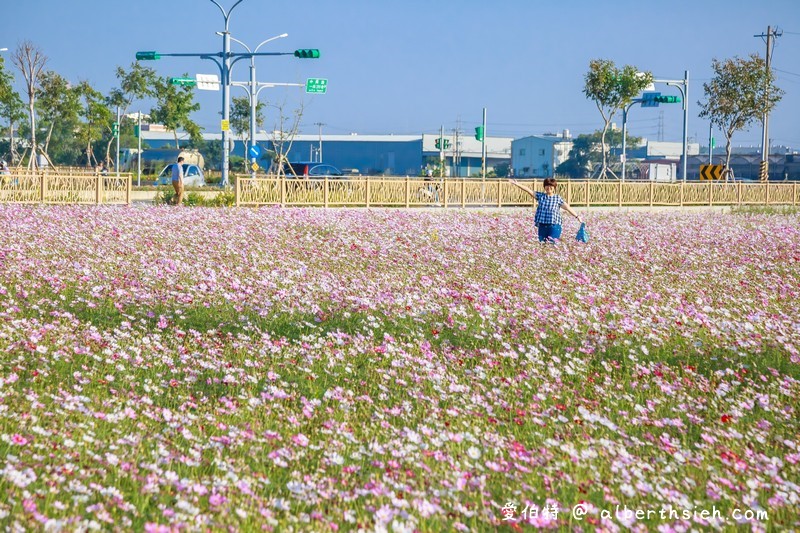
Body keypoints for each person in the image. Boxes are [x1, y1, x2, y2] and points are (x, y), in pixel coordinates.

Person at [510, 177, 582, 243]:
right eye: (547, 185)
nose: (549, 187)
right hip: (542, 225)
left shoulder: (557, 198)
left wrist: (577, 216)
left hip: (554, 226)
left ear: (554, 187)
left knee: (552, 244)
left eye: (551, 186)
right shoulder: (540, 196)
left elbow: (568, 208)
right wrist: (517, 184)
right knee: (543, 244)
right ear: (544, 187)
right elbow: (529, 190)